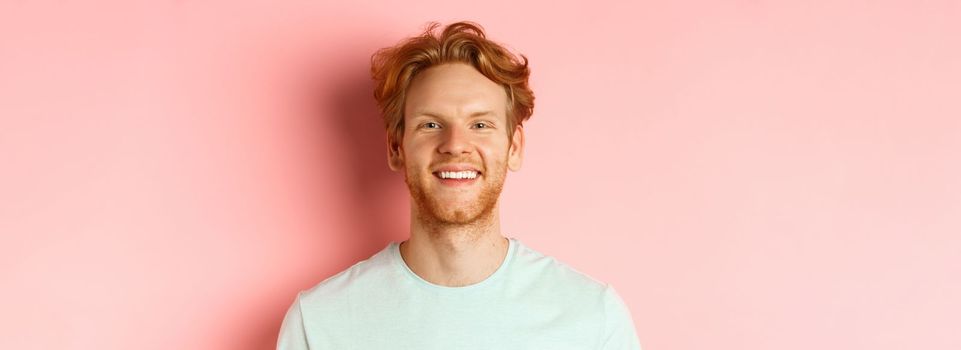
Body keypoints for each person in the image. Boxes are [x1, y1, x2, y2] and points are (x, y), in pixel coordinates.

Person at [276, 21, 642, 350]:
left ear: (514, 148)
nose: (455, 144)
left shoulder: (592, 318)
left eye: (480, 124)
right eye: (431, 124)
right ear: (395, 148)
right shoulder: (320, 322)